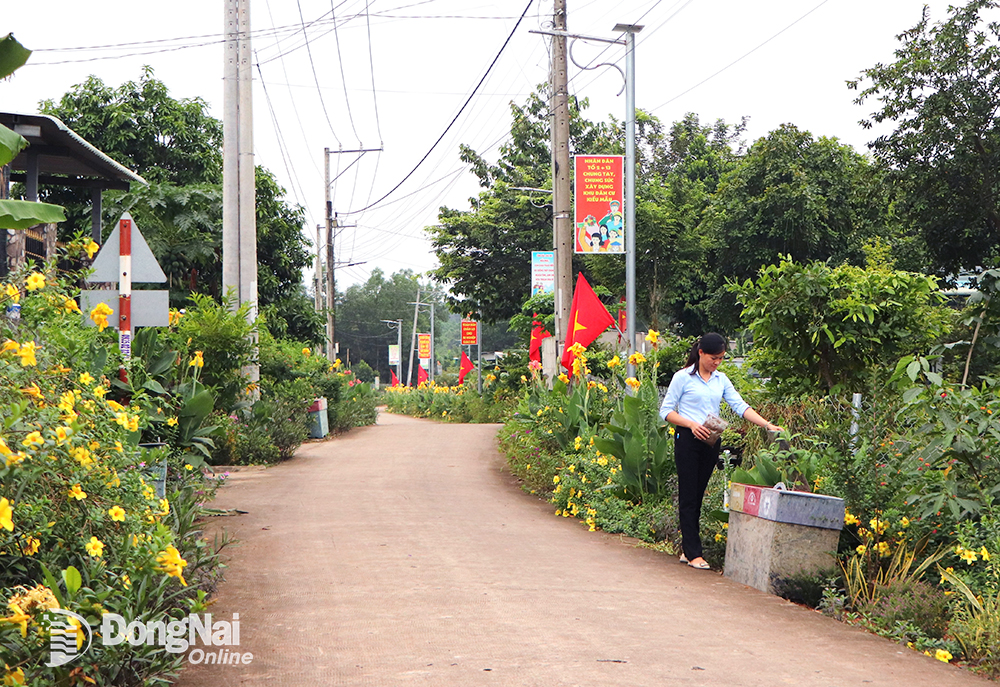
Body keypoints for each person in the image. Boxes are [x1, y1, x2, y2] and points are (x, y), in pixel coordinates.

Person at [659, 333, 781, 570]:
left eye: (721, 358)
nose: (717, 362)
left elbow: (739, 406)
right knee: (688, 495)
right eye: (714, 358)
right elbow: (665, 411)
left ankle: (688, 547)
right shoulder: (682, 377)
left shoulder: (720, 379)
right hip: (687, 439)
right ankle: (694, 552)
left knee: (699, 494)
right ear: (701, 353)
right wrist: (691, 424)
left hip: (710, 441)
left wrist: (766, 424)